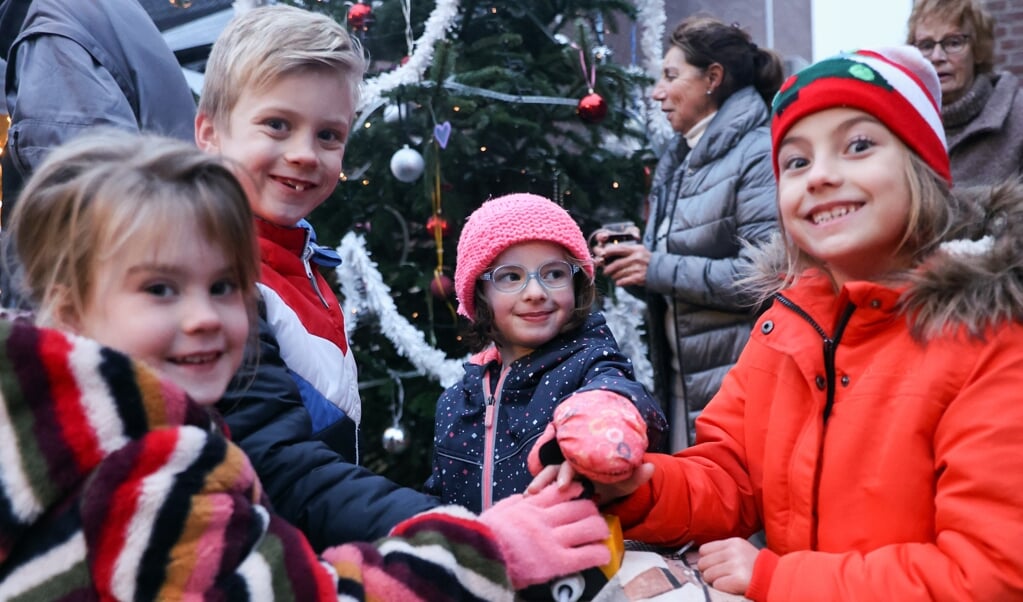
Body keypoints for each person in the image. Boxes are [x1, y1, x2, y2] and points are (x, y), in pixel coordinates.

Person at [1, 129, 614, 600]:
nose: (206, 317)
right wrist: (489, 550)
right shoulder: (139, 467)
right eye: (161, 289)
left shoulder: (96, 429)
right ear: (69, 304)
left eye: (224, 287)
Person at [533, 46, 1023, 600]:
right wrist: (636, 488)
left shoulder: (990, 338)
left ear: (922, 167)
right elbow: (732, 474)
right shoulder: (788, 324)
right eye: (796, 161)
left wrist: (774, 577)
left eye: (858, 145)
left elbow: (990, 574)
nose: (819, 177)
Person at [591, 16, 784, 452]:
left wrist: (655, 267)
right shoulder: (679, 158)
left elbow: (765, 278)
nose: (657, 92)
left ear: (713, 78)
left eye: (670, 76)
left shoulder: (757, 152)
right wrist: (632, 268)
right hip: (684, 382)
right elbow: (676, 279)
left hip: (735, 387)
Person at [423, 193, 667, 513]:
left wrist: (599, 417)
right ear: (479, 292)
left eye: (554, 274)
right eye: (511, 277)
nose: (536, 293)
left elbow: (623, 394)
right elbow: (440, 495)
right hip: (479, 558)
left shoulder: (588, 365)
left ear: (575, 282)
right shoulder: (457, 402)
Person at [0, 0, 195, 217]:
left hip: (155, 236)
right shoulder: (77, 12)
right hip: (175, 227)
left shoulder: (54, 39)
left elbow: (94, 224)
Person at [906, 0, 1023, 186]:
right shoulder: (901, 123)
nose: (937, 57)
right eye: (926, 45)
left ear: (978, 50)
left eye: (953, 43)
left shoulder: (1017, 116)